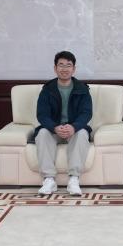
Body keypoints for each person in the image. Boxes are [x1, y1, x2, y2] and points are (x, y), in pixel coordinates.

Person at [32, 50, 93, 196]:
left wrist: (74, 127)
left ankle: (74, 179)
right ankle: (49, 180)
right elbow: (42, 114)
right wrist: (54, 127)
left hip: (74, 129)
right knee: (42, 133)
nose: (64, 69)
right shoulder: (47, 89)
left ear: (74, 69)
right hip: (54, 128)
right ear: (55, 68)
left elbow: (86, 113)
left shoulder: (82, 89)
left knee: (82, 133)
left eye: (68, 65)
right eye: (61, 65)